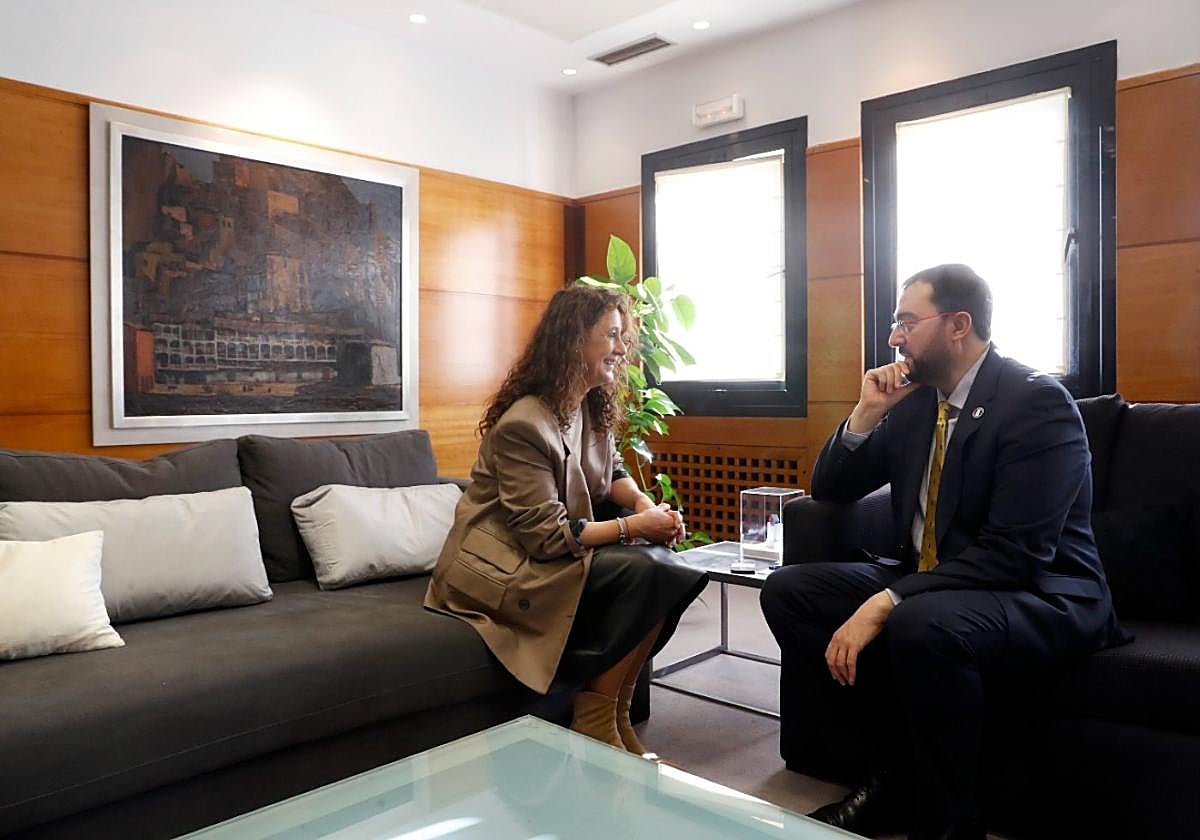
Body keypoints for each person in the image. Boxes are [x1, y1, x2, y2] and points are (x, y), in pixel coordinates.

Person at [760, 265, 1125, 840]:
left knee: (921, 622)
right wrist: (864, 414)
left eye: (907, 321)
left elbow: (1016, 555)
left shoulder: (1035, 404)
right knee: (790, 593)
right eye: (896, 322)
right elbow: (830, 488)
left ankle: (949, 823)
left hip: (1041, 591)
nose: (893, 338)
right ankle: (892, 774)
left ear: (959, 324)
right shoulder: (912, 406)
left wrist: (888, 598)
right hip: (936, 583)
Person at [425, 285, 707, 757]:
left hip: (553, 549)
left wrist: (643, 507)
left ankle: (609, 713)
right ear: (575, 341)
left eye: (622, 336)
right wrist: (635, 529)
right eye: (611, 336)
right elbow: (545, 537)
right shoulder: (524, 425)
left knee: (664, 569)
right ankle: (596, 718)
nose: (621, 349)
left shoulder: (590, 405)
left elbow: (612, 472)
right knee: (653, 568)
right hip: (502, 568)